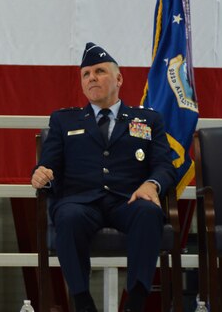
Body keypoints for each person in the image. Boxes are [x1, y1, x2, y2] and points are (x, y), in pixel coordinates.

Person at [31, 42, 174, 312]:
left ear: (119, 78)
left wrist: (151, 184)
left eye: (99, 71)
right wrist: (41, 174)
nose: (91, 78)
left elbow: (164, 166)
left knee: (149, 213)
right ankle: (83, 302)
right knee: (67, 217)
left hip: (128, 200)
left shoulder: (147, 120)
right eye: (86, 74)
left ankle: (136, 301)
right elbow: (48, 163)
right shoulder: (65, 121)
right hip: (81, 202)